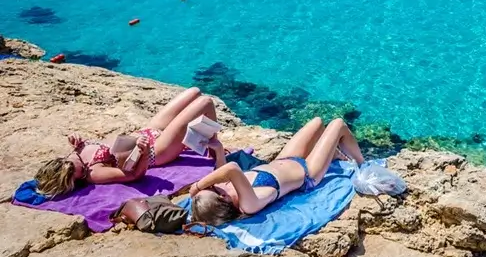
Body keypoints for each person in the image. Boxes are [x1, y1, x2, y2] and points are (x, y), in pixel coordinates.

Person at [35, 88, 223, 197]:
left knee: (194, 92)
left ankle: (206, 140)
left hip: (148, 131)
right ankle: (214, 147)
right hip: (158, 150)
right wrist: (144, 149)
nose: (78, 169)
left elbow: (87, 151)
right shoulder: (93, 174)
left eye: (71, 166)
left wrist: (78, 141)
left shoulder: (74, 154)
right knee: (205, 102)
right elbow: (134, 175)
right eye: (75, 175)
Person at [190, 117, 364, 225]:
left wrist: (219, 149)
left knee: (317, 123)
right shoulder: (249, 204)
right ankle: (363, 164)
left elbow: (223, 169)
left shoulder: (228, 189)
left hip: (284, 159)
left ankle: (332, 154)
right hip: (308, 173)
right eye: (213, 189)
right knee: (338, 124)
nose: (214, 185)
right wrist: (198, 186)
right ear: (223, 198)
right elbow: (232, 168)